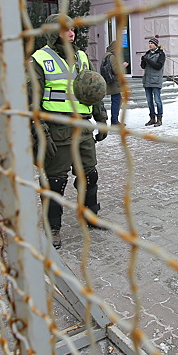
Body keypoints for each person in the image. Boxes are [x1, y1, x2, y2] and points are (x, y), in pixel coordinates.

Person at [30, 14, 108, 249]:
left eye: (72, 29)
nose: (71, 33)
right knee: (55, 181)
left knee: (89, 175)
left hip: (83, 127)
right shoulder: (40, 59)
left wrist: (101, 117)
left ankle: (90, 214)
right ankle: (53, 227)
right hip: (56, 129)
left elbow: (93, 88)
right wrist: (38, 128)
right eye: (65, 30)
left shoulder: (82, 57)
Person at [100, 39, 128, 126]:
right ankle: (114, 121)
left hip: (109, 81)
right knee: (116, 101)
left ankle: (115, 120)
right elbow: (117, 71)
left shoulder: (106, 55)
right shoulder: (112, 57)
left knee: (116, 100)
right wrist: (123, 66)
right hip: (114, 83)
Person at [140, 36, 166, 126]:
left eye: (151, 43)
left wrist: (148, 60)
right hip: (147, 80)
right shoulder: (147, 54)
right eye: (149, 43)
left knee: (157, 100)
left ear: (156, 45)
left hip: (156, 80)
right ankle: (152, 118)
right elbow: (143, 67)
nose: (150, 45)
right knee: (149, 101)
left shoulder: (161, 54)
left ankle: (159, 118)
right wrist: (143, 61)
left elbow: (158, 66)